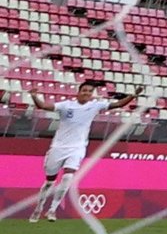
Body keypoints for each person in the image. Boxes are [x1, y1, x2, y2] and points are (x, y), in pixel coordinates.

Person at [29, 81, 139, 222]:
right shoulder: (66, 105)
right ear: (78, 92)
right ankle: (39, 208)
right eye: (84, 90)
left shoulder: (95, 105)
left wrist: (133, 95)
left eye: (89, 91)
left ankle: (52, 210)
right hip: (58, 147)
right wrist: (34, 96)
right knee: (50, 182)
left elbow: (117, 104)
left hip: (77, 148)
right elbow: (43, 106)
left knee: (68, 177)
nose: (87, 93)